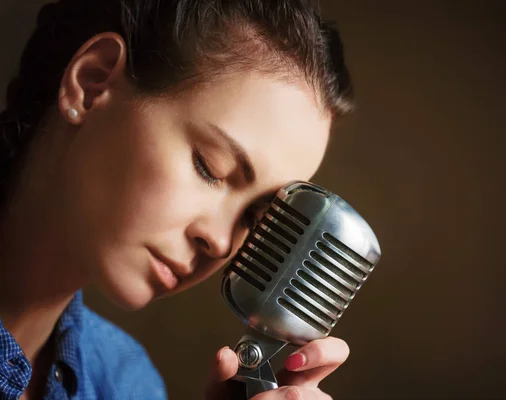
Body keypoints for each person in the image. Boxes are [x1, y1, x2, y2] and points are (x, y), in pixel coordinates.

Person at [0, 0, 355, 398]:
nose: (221, 243)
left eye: (255, 218)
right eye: (210, 168)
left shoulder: (131, 384)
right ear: (92, 83)